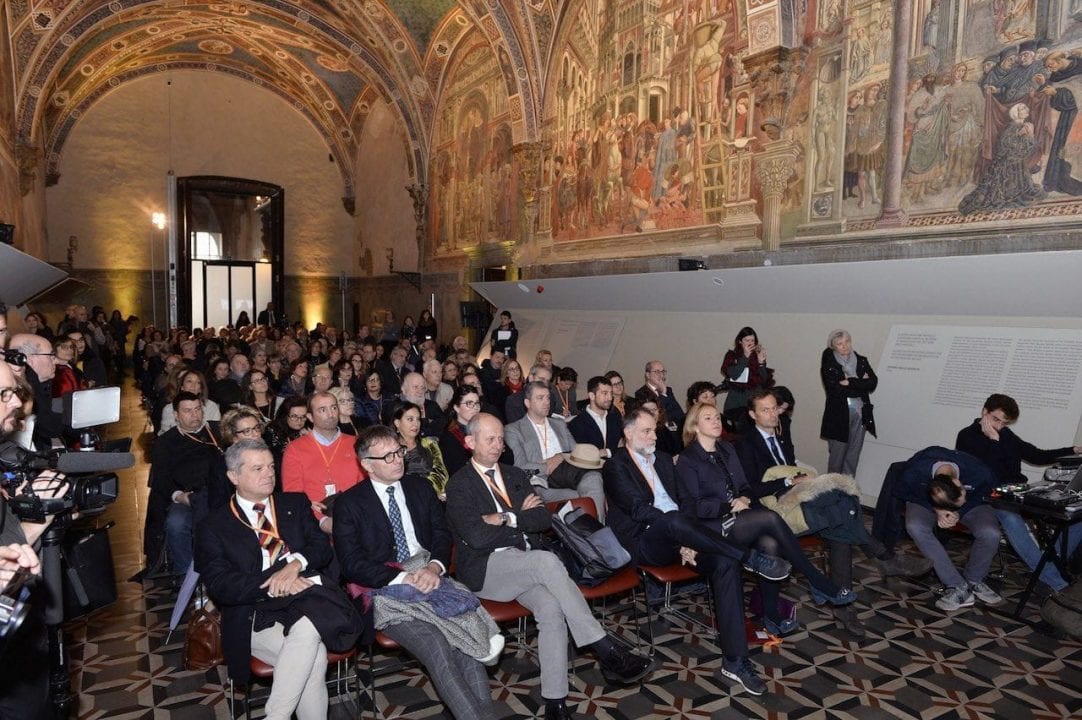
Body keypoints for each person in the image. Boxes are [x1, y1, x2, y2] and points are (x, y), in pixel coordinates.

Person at [445, 413, 654, 720]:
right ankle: (605, 647)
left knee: (552, 611)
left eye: (501, 438)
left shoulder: (515, 474)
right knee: (546, 561)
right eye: (490, 439)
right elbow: (476, 537)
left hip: (527, 563)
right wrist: (519, 516)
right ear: (469, 442)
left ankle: (555, 703)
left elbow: (542, 519)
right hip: (488, 569)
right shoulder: (460, 484)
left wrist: (505, 517)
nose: (497, 445)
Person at [603, 408, 792, 696]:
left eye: (655, 430)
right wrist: (682, 538)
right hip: (646, 541)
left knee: (724, 562)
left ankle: (735, 660)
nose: (654, 436)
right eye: (647, 431)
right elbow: (639, 510)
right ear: (628, 434)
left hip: (686, 538)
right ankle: (750, 558)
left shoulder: (665, 460)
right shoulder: (616, 465)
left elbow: (687, 504)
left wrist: (688, 538)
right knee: (672, 519)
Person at [333, 426, 501, 720]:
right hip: (386, 591)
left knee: (465, 640)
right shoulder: (349, 503)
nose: (398, 460)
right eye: (387, 457)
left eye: (399, 452)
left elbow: (441, 535)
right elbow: (351, 563)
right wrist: (404, 578)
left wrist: (435, 567)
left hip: (432, 578)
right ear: (366, 464)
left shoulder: (420, 487)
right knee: (438, 646)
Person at [195, 440, 354, 720]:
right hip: (253, 613)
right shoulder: (214, 525)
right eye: (258, 468)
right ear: (233, 476)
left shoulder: (293, 503)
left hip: (308, 600)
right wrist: (277, 580)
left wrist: (295, 564)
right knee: (313, 656)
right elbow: (222, 585)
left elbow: (320, 548)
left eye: (270, 466)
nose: (269, 473)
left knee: (307, 635)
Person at [676, 403, 856, 635]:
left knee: (769, 544)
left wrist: (744, 498)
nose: (716, 421)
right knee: (769, 519)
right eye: (708, 418)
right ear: (694, 426)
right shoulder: (688, 459)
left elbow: (746, 488)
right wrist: (728, 505)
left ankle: (772, 616)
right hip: (710, 528)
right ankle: (817, 581)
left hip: (740, 518)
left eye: (717, 417)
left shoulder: (727, 450)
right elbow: (691, 506)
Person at [956, 393, 1082, 596]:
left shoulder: (1005, 435)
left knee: (1073, 517)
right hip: (988, 496)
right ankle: (1059, 584)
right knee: (1013, 522)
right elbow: (985, 474)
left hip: (1016, 491)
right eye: (996, 419)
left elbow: (1036, 455)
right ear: (984, 412)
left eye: (1004, 423)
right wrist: (994, 441)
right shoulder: (966, 436)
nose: (999, 426)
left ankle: (1046, 567)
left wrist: (1073, 449)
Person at [898, 447, 1002, 611]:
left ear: (959, 483)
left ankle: (974, 580)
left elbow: (987, 493)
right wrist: (937, 510)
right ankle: (957, 586)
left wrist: (958, 512)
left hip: (972, 504)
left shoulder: (978, 471)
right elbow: (903, 492)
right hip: (926, 502)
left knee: (990, 533)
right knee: (915, 526)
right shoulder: (915, 470)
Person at [147, 391, 231, 574]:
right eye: (187, 411)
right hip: (188, 496)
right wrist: (179, 496)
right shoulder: (165, 442)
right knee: (176, 524)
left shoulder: (218, 431)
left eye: (197, 409)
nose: (195, 415)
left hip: (223, 491)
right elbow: (161, 479)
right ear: (176, 415)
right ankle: (187, 577)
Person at [504, 381, 607, 522]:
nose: (546, 402)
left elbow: (576, 452)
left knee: (594, 478)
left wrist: (560, 457)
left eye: (548, 397)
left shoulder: (559, 424)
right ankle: (594, 537)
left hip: (569, 474)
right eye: (540, 398)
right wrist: (547, 466)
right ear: (527, 403)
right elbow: (520, 467)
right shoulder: (514, 430)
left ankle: (598, 535)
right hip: (542, 482)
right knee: (583, 498)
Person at [281, 392, 364, 534]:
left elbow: (365, 488)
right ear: (310, 417)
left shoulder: (355, 443)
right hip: (313, 523)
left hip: (355, 519)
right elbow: (293, 496)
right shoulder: (295, 448)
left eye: (333, 408)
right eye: (322, 410)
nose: (331, 414)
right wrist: (321, 520)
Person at [819, 329, 878, 476]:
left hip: (861, 413)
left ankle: (847, 490)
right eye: (840, 344)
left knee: (853, 455)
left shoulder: (862, 360)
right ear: (833, 346)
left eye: (847, 342)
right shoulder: (829, 364)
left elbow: (872, 383)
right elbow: (835, 390)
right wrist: (860, 382)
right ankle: (832, 491)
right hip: (838, 417)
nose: (845, 346)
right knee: (837, 458)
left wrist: (850, 382)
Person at [720, 327, 773, 433]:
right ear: (740, 341)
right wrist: (745, 357)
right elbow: (734, 375)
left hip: (754, 404)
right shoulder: (732, 356)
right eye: (747, 340)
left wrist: (761, 363)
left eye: (752, 341)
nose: (750, 343)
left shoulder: (757, 356)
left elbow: (764, 380)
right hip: (736, 405)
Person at [394, 401, 450, 499]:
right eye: (410, 419)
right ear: (397, 423)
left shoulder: (429, 443)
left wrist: (431, 493)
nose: (416, 424)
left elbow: (441, 473)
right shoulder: (391, 450)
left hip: (436, 496)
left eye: (418, 419)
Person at [568, 375, 622, 458]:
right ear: (592, 396)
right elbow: (584, 454)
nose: (610, 398)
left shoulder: (615, 417)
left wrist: (607, 452)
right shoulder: (577, 423)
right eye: (605, 393)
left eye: (611, 393)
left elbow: (626, 446)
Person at [160, 369, 222, 435]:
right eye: (189, 381)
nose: (193, 385)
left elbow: (216, 431)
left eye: (198, 382)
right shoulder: (169, 408)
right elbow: (167, 434)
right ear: (182, 387)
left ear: (201, 388)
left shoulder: (211, 406)